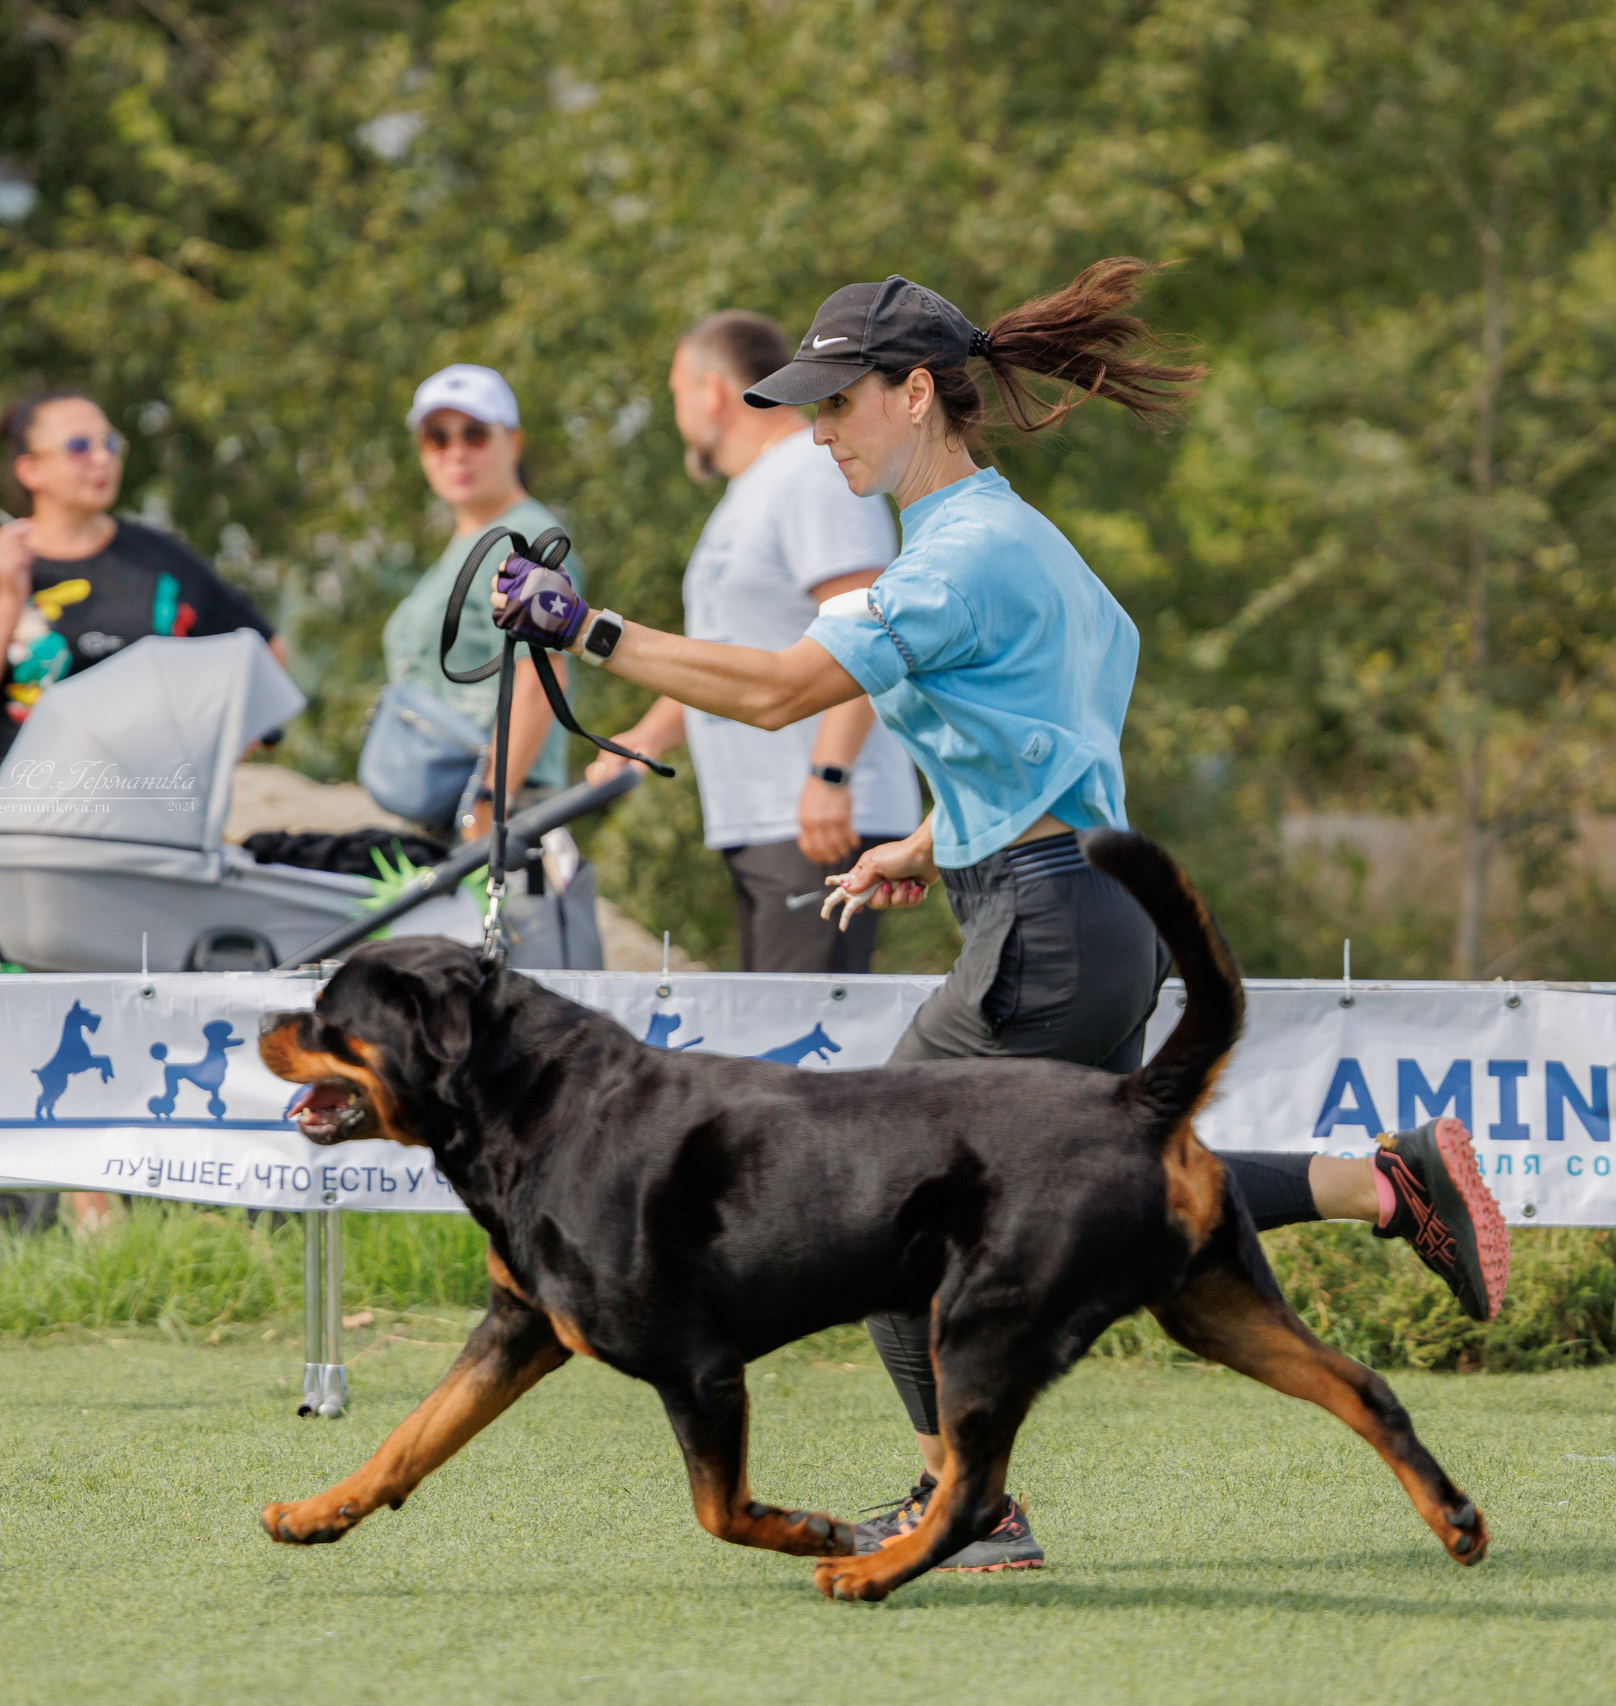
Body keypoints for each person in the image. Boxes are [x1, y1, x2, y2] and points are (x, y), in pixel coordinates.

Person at [491, 261, 1510, 1572]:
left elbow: (775, 694)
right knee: (1122, 1187)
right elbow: (1051, 738)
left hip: (1048, 928)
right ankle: (1381, 1179)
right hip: (1080, 915)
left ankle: (969, 1507)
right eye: (806, 408)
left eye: (839, 403)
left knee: (862, 1202)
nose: (818, 431)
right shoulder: (1016, 539)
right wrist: (931, 841)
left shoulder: (953, 563)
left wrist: (584, 626)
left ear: (917, 394)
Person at [0, 388, 283, 1232]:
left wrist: (206, 743)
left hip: (145, 830)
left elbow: (261, 661)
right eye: (79, 444)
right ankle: (74, 1209)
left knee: (143, 1007)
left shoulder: (160, 563)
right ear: (31, 470)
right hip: (21, 835)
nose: (102, 457)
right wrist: (8, 597)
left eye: (110, 441)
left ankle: (154, 1201)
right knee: (46, 1012)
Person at [585, 312, 921, 973]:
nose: (677, 412)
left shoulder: (810, 474)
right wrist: (646, 740)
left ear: (711, 392)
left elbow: (867, 624)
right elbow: (731, 654)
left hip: (819, 819)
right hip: (760, 822)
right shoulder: (755, 489)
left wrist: (830, 775)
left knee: (805, 1055)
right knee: (776, 1044)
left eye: (677, 392)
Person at [380, 364, 583, 845]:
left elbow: (543, 674)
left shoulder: (526, 537)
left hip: (498, 812)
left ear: (513, 442)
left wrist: (489, 802)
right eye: (437, 437)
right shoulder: (466, 542)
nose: (456, 452)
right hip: (449, 811)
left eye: (475, 434)